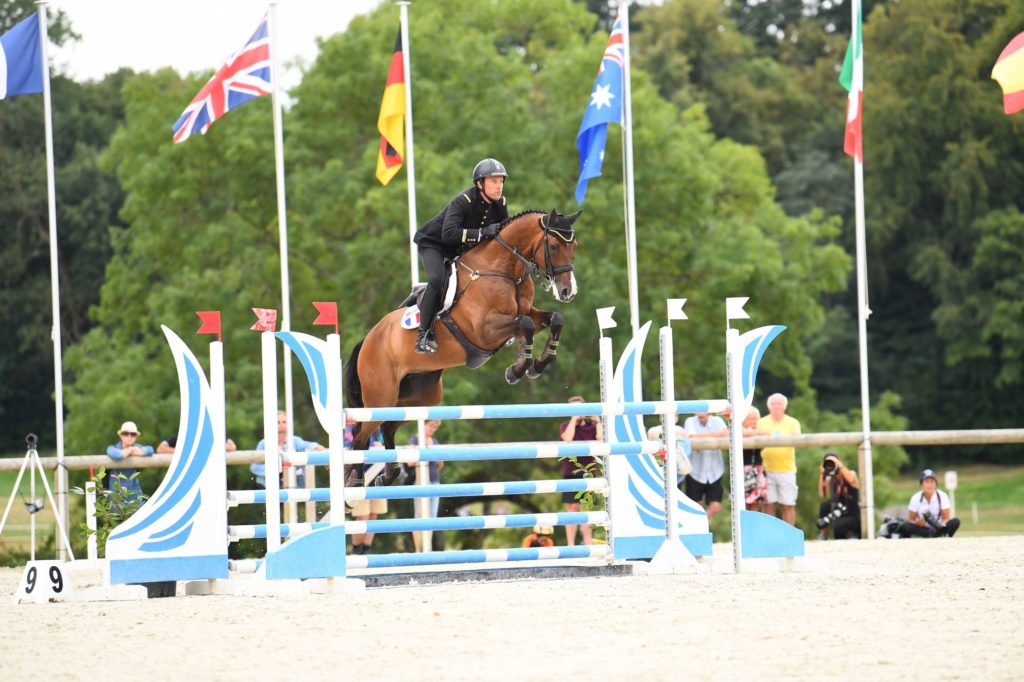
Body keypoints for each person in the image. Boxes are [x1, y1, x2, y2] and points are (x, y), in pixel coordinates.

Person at [412, 158, 510, 354]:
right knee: (437, 278)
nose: (499, 186)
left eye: (501, 181)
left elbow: (503, 236)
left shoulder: (501, 204)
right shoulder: (463, 202)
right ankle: (424, 334)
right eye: (493, 181)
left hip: (461, 249)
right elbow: (449, 234)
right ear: (479, 183)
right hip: (435, 244)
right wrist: (482, 233)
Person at [558, 396, 603, 546]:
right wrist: (573, 420)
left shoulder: (592, 426)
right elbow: (567, 439)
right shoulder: (565, 425)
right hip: (570, 472)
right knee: (572, 508)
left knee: (586, 508)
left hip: (588, 472)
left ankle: (588, 543)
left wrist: (598, 421)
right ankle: (570, 544)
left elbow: (601, 439)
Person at [757, 393, 801, 525]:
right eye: (773, 404)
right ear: (768, 406)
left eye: (779, 404)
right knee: (768, 505)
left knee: (788, 504)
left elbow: (797, 440)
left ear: (785, 406)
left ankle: (789, 536)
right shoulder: (761, 422)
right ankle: (771, 536)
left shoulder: (793, 422)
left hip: (786, 469)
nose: (776, 406)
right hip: (766, 469)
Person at [252, 411, 325, 488]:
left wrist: (315, 446)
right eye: (278, 422)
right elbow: (255, 467)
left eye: (284, 422)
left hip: (293, 481)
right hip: (268, 483)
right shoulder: (264, 443)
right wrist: (276, 468)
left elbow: (306, 445)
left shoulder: (294, 440)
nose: (281, 424)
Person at [681, 412, 729, 518]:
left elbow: (725, 434)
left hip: (714, 470)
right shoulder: (690, 421)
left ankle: (702, 522)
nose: (700, 415)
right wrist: (714, 436)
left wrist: (699, 438)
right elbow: (690, 437)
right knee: (695, 506)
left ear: (709, 412)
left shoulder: (717, 420)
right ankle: (699, 525)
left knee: (716, 506)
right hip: (695, 470)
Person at [350, 438, 388, 555]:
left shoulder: (382, 429)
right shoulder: (353, 427)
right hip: (361, 476)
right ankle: (356, 550)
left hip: (379, 477)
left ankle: (365, 550)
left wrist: (381, 446)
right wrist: (372, 446)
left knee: (373, 515)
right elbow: (350, 445)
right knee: (363, 516)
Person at [899, 469, 961, 538]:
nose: (930, 485)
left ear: (935, 484)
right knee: (905, 526)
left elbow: (946, 518)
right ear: (921, 484)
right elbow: (911, 520)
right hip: (923, 529)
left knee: (955, 521)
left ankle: (942, 534)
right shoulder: (915, 498)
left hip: (939, 528)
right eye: (926, 482)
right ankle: (931, 535)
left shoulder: (943, 496)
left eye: (932, 482)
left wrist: (938, 525)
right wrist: (918, 523)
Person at [815, 452, 861, 540]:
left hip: (852, 514)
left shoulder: (850, 474)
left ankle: (851, 535)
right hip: (839, 512)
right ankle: (823, 535)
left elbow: (851, 480)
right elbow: (822, 494)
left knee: (837, 526)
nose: (831, 464)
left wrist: (839, 464)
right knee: (824, 506)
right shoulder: (831, 479)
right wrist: (822, 474)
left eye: (832, 462)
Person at [105, 420, 154, 498]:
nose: (129, 436)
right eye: (125, 433)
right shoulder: (113, 448)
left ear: (136, 437)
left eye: (133, 434)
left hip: (134, 497)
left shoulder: (137, 447)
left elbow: (150, 450)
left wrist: (133, 451)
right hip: (117, 498)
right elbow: (116, 455)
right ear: (120, 435)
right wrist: (131, 450)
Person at [647, 414, 691, 488]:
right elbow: (687, 450)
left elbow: (687, 449)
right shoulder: (653, 431)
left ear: (677, 418)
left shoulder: (680, 430)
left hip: (675, 467)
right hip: (665, 466)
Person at [741, 407, 769, 511]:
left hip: (758, 469)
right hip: (742, 470)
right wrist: (753, 433)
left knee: (756, 502)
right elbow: (741, 432)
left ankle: (753, 526)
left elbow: (767, 433)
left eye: (755, 419)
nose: (753, 421)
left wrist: (752, 432)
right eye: (750, 419)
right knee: (742, 503)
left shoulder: (761, 431)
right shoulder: (737, 430)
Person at [157, 434, 237, 453]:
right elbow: (160, 448)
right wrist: (182, 451)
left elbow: (232, 447)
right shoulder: (184, 435)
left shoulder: (211, 435)